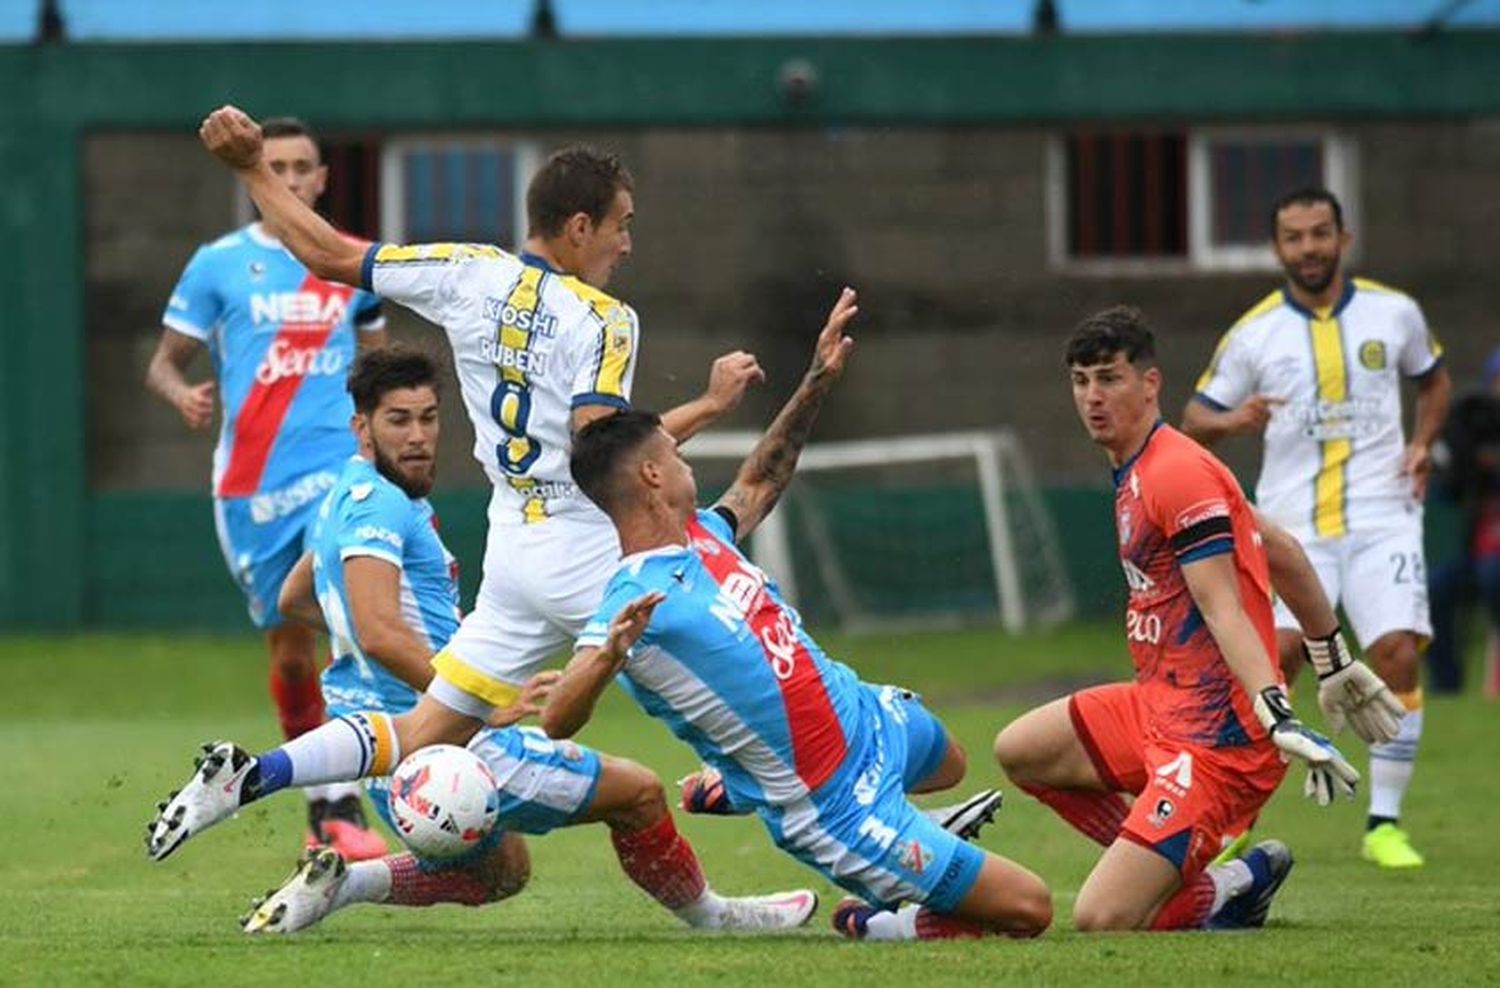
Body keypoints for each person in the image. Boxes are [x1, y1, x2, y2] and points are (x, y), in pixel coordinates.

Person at [149, 105, 815, 932]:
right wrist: (709, 408)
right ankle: (859, 831)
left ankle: (253, 777)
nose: (627, 245)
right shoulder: (605, 319)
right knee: (759, 676)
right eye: (622, 226)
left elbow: (323, 252)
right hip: (582, 548)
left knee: (427, 724)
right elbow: (597, 453)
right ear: (579, 226)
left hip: (512, 555)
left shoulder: (464, 269)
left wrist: (251, 169)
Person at [237, 346, 815, 934]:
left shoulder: (350, 492)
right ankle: (713, 917)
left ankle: (342, 881)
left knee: (502, 870)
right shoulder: (389, 501)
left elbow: (294, 601)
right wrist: (484, 701)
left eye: (428, 417)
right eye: (400, 420)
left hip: (379, 743)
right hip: (436, 736)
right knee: (638, 794)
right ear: (362, 426)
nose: (418, 435)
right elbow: (380, 631)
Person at [544, 288, 1054, 943]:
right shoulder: (630, 599)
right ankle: (882, 918)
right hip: (834, 805)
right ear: (649, 475)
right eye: (674, 453)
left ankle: (753, 791)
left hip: (867, 716)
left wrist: (816, 381)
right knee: (1029, 909)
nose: (685, 459)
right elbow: (558, 716)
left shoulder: (702, 535)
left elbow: (760, 480)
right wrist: (611, 653)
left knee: (949, 760)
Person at [995, 306, 1383, 933]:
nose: (1093, 397)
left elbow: (1220, 605)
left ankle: (1216, 886)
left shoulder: (1175, 471)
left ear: (1150, 385)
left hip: (1219, 740)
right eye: (1080, 381)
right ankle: (1196, 873)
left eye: (1109, 379)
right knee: (1020, 749)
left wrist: (1274, 706)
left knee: (1102, 920)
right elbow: (1279, 548)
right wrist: (1331, 657)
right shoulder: (1146, 464)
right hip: (1160, 706)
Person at [1181, 187, 1452, 869]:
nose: (1309, 248)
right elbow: (1193, 419)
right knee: (1274, 660)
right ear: (1277, 248)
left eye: (1320, 233)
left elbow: (1435, 380)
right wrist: (1233, 420)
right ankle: (1237, 816)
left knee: (1396, 654)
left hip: (1382, 519)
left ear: (1344, 238)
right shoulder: (1253, 333)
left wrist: (1423, 443)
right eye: (1295, 237)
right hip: (1291, 528)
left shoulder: (1396, 314)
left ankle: (1384, 824)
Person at [144, 115, 387, 860]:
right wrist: (180, 393)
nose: (286, 177)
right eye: (273, 165)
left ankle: (356, 801)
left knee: (353, 620)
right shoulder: (218, 264)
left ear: (321, 178)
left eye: (301, 166)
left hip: (340, 476)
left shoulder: (345, 261)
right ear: (256, 177)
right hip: (254, 485)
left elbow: (381, 367)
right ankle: (324, 805)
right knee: (291, 651)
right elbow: (163, 362)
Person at [1427, 349, 1500, 694]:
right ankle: (1446, 684)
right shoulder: (1475, 428)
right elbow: (1446, 492)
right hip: (1482, 551)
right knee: (1437, 587)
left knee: (1493, 576)